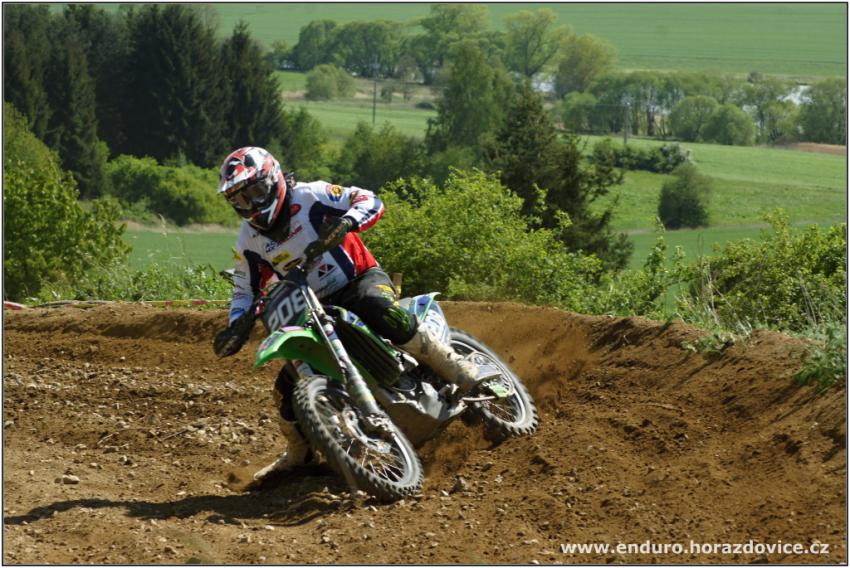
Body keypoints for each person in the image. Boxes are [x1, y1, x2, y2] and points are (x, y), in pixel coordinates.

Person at [212, 146, 495, 486]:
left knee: (378, 309)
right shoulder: (249, 240)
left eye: (255, 192)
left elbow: (369, 200)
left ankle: (455, 367)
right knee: (287, 384)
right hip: (312, 305)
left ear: (273, 180)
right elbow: (244, 289)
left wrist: (347, 221)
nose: (251, 206)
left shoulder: (311, 196)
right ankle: (299, 452)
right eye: (240, 200)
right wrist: (236, 325)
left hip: (359, 280)